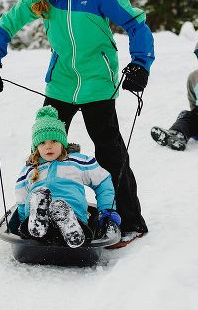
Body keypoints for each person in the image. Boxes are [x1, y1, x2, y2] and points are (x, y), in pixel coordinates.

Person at [0, 0, 154, 247]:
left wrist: (141, 63)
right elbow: (5, 25)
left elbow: (137, 24)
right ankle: (40, 210)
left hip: (97, 83)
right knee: (44, 149)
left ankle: (130, 221)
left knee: (110, 152)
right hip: (60, 82)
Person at [15, 106, 120, 248]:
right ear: (36, 147)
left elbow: (103, 181)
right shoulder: (30, 168)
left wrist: (107, 210)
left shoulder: (77, 161)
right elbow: (21, 202)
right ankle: (39, 216)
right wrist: (21, 221)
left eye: (54, 141)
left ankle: (67, 222)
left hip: (73, 213)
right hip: (35, 222)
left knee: (75, 223)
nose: (48, 147)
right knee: (32, 225)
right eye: (42, 142)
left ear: (63, 142)